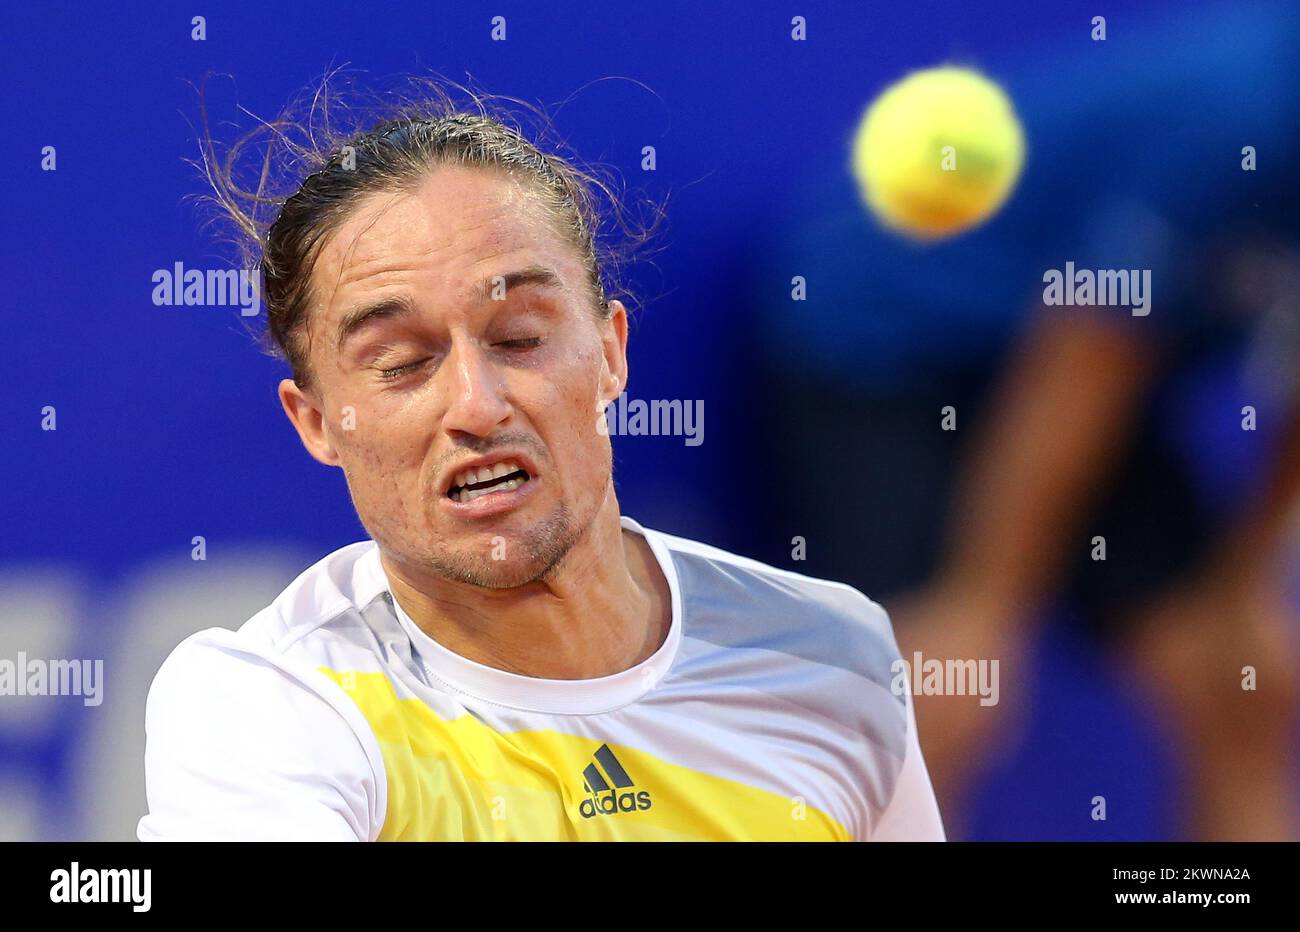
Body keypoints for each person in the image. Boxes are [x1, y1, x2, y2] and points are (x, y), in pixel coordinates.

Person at [136, 87, 945, 841]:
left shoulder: (831, 654)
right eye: (402, 361)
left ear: (611, 354)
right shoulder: (268, 705)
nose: (477, 406)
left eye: (519, 337)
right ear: (318, 423)